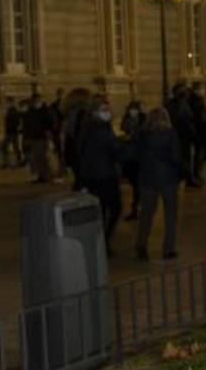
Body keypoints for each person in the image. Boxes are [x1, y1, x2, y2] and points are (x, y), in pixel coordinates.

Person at [132, 108, 183, 261]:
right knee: (170, 214)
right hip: (168, 178)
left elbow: (135, 154)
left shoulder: (142, 135)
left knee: (146, 214)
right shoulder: (170, 134)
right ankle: (168, 248)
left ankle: (141, 245)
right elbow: (176, 156)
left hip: (147, 178)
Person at [78, 99, 124, 253]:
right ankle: (103, 240)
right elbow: (116, 150)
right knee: (114, 209)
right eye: (104, 110)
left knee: (101, 211)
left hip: (92, 176)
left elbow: (81, 155)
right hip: (105, 176)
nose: (108, 112)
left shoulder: (87, 129)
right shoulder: (103, 130)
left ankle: (100, 241)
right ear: (95, 113)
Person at [167, 85, 200, 187]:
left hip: (181, 135)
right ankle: (186, 178)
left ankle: (186, 177)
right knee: (183, 157)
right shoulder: (178, 105)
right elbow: (184, 119)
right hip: (181, 135)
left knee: (185, 157)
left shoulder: (180, 104)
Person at [120, 100, 145, 219]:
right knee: (135, 183)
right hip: (129, 155)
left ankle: (137, 208)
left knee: (138, 184)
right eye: (132, 108)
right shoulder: (126, 118)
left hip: (139, 156)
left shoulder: (143, 118)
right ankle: (136, 208)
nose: (133, 111)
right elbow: (123, 128)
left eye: (136, 108)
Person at [21, 94, 52, 183]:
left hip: (41, 137)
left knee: (42, 157)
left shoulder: (45, 111)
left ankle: (46, 175)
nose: (37, 102)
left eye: (38, 100)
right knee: (36, 158)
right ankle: (41, 175)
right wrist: (27, 137)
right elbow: (27, 125)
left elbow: (49, 123)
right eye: (35, 101)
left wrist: (47, 131)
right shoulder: (31, 111)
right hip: (33, 137)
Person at [0, 96, 22, 169]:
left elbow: (16, 122)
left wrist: (10, 127)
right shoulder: (10, 111)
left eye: (8, 102)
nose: (7, 104)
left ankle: (7, 163)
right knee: (14, 147)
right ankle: (17, 161)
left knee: (4, 147)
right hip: (11, 132)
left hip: (11, 132)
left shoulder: (13, 111)